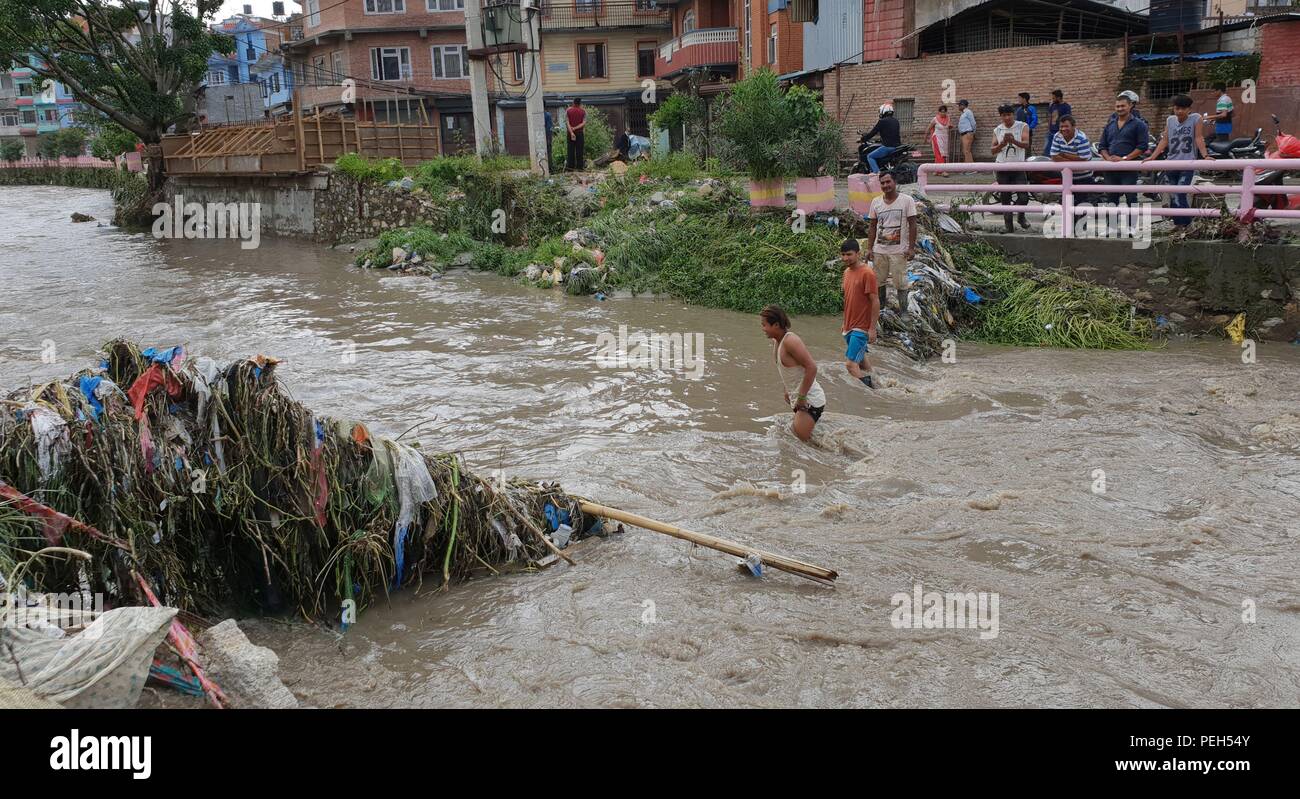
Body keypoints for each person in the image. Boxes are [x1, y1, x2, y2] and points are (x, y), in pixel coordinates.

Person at [761, 305, 826, 442]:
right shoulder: (777, 341)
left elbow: (812, 367)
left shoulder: (790, 341)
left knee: (796, 444)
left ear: (776, 325)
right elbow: (790, 371)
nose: (763, 329)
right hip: (799, 401)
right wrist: (787, 390)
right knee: (804, 443)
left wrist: (801, 396)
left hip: (810, 402)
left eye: (764, 325)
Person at [1145, 94, 1207, 228]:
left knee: (1180, 193)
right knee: (1173, 196)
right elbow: (1165, 140)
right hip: (1171, 163)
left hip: (1187, 163)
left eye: (1183, 109)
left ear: (1189, 109)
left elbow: (1198, 137)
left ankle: (1187, 224)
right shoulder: (1170, 120)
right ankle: (1178, 225)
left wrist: (1205, 155)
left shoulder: (1196, 119)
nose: (1179, 111)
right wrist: (1153, 156)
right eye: (1177, 108)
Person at [866, 170, 918, 314]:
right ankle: (881, 309)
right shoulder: (875, 202)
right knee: (879, 282)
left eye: (888, 182)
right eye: (882, 183)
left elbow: (913, 225)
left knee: (901, 283)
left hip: (899, 251)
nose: (885, 185)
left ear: (894, 182)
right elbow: (872, 227)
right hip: (879, 250)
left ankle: (904, 312)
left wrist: (911, 248)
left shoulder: (907, 200)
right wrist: (869, 248)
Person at [838, 239, 879, 389]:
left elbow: (875, 301)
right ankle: (879, 384)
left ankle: (871, 392)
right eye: (843, 255)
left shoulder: (867, 273)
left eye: (849, 254)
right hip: (849, 326)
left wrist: (872, 328)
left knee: (850, 365)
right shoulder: (846, 272)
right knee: (862, 362)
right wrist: (845, 323)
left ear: (858, 254)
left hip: (861, 328)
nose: (845, 258)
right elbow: (849, 299)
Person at [1098, 93, 1149, 207]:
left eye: (1123, 106)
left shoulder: (1139, 124)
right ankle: (1111, 225)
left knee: (1131, 197)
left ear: (1130, 106)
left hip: (1129, 167)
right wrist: (1108, 159)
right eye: (1117, 106)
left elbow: (1142, 146)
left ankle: (1132, 225)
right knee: (1111, 198)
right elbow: (1102, 146)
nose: (1120, 109)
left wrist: (1124, 159)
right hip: (1110, 168)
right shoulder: (1110, 125)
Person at [992, 103, 1030, 232]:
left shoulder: (1022, 126)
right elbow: (992, 150)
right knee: (1005, 197)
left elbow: (1026, 144)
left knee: (1024, 196)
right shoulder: (998, 130)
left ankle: (1021, 217)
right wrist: (1002, 143)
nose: (1007, 118)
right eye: (1004, 115)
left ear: (1013, 115)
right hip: (1002, 168)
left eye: (1009, 115)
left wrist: (1013, 141)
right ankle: (1009, 226)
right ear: (1000, 116)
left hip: (1018, 167)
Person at [1047, 114, 1095, 208]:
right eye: (1061, 126)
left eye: (1066, 126)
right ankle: (1069, 223)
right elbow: (1054, 156)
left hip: (1083, 177)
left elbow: (1083, 159)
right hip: (1066, 177)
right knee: (1067, 205)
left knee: (1081, 205)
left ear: (1073, 126)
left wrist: (1064, 154)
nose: (1063, 129)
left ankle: (1081, 223)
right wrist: (1074, 159)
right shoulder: (1057, 136)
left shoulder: (1081, 138)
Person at [862, 103, 902, 174]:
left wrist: (864, 138)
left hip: (888, 147)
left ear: (883, 111)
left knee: (870, 156)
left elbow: (872, 133)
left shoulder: (882, 121)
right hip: (897, 146)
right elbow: (890, 133)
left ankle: (876, 174)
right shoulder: (896, 121)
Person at [1044, 89, 1071, 155]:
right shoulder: (1052, 105)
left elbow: (1068, 120)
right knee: (1047, 150)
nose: (1052, 99)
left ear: (1058, 98)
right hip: (1051, 132)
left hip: (1060, 132)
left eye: (1054, 98)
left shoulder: (1066, 107)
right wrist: (1049, 128)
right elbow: (1050, 117)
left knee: (1060, 150)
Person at [565, 97, 586, 171]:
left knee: (570, 150)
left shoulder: (568, 110)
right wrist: (575, 128)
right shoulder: (583, 111)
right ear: (580, 103)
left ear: (573, 103)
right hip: (580, 133)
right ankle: (580, 168)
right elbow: (583, 123)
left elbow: (567, 122)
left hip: (570, 134)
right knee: (579, 151)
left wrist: (571, 132)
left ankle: (570, 168)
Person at [957, 99, 976, 163]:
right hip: (964, 134)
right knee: (966, 151)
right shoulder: (963, 113)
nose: (958, 107)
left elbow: (973, 123)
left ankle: (971, 169)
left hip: (967, 133)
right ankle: (967, 168)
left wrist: (972, 133)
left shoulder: (968, 112)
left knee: (967, 151)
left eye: (959, 105)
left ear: (963, 105)